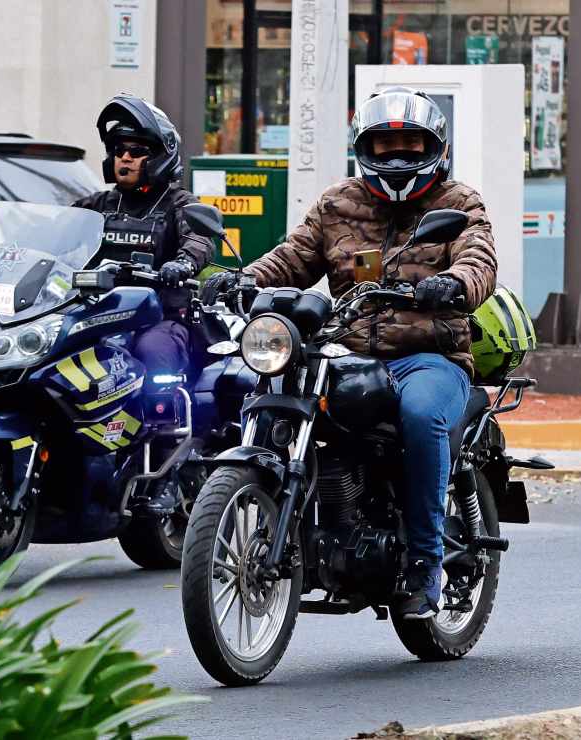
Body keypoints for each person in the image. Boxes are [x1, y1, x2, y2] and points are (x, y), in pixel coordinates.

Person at [205, 88, 497, 619]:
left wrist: (453, 285)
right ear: (365, 148)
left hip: (429, 356)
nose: (397, 157)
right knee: (282, 393)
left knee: (420, 414)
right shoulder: (338, 203)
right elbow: (292, 258)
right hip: (349, 350)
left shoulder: (458, 203)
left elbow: (478, 260)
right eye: (384, 146)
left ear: (436, 147)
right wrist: (241, 278)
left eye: (411, 145)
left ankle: (426, 563)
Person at [73, 94, 211, 513]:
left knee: (154, 359)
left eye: (137, 151)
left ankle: (168, 473)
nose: (125, 159)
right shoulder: (97, 206)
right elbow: (58, 237)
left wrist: (184, 262)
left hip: (161, 320)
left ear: (160, 156)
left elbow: (200, 238)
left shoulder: (178, 204)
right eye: (119, 151)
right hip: (99, 318)